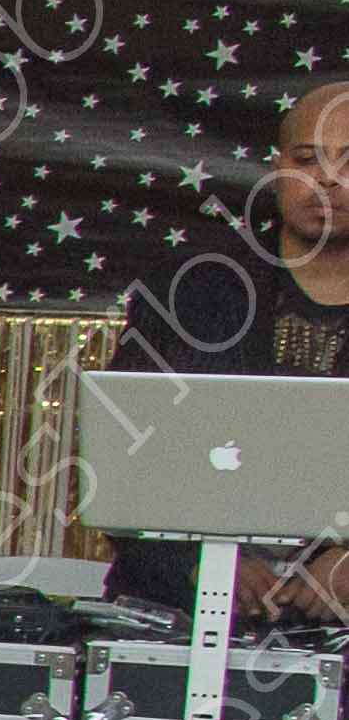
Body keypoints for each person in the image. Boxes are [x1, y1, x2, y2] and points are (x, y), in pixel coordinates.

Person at [102, 75, 349, 617]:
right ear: (277, 169)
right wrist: (200, 561)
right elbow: (124, 461)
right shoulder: (191, 288)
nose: (327, 180)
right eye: (307, 159)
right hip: (183, 614)